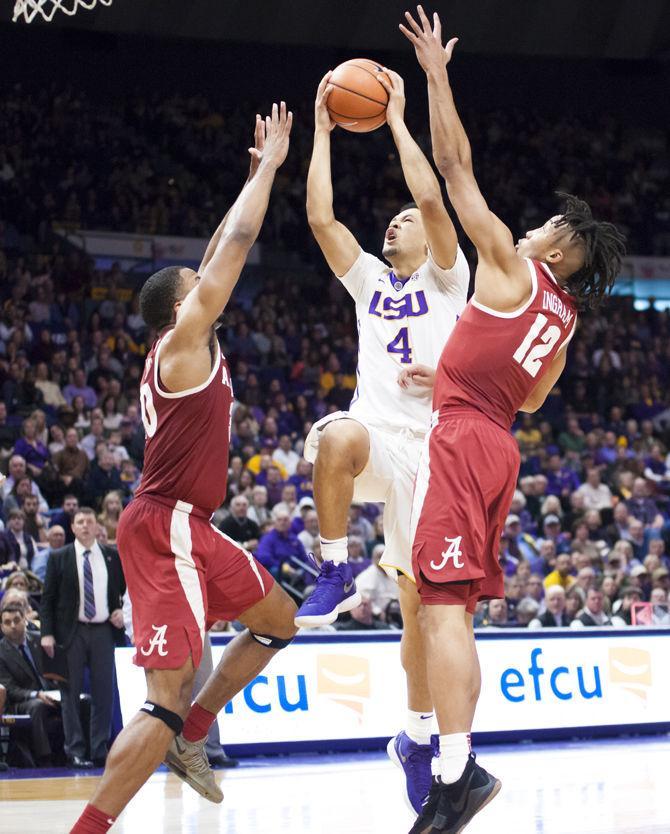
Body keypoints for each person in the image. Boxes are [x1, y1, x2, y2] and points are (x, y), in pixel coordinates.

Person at [401, 8, 626, 832]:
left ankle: (457, 773)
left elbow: (455, 167)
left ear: (559, 251)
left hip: (462, 442)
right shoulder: (563, 321)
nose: (529, 229)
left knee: (442, 610)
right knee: (448, 607)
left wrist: (435, 74)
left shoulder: (510, 264)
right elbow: (528, 397)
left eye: (545, 229)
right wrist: (455, 369)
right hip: (496, 442)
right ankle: (457, 768)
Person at [69, 106, 297, 834]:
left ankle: (194, 733)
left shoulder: (187, 340)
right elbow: (233, 243)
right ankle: (91, 826)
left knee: (280, 620)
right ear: (180, 304)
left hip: (190, 525)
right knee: (160, 701)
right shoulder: (180, 345)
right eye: (195, 282)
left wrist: (247, 173)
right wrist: (269, 170)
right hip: (162, 526)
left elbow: (214, 247)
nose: (210, 280)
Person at [296, 60, 470, 814]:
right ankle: (332, 567)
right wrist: (324, 132)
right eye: (389, 221)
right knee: (335, 433)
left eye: (401, 221)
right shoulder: (371, 281)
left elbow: (432, 195)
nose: (392, 223)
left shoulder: (446, 275)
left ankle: (415, 734)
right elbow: (320, 221)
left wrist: (397, 118)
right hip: (377, 434)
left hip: (432, 453)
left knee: (420, 618)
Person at [40, 507, 127, 769]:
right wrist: (47, 633)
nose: (86, 525)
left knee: (104, 693)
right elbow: (48, 599)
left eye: (90, 521)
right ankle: (75, 750)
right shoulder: (59, 557)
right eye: (81, 522)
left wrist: (122, 611)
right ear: (73, 528)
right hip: (71, 632)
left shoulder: (112, 556)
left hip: (103, 630)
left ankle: (99, 749)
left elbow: (126, 591)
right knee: (70, 693)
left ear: (98, 527)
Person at [0, 603, 63, 767]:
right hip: (19, 702)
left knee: (82, 701)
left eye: (16, 620)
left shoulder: (41, 640)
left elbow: (57, 671)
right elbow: (10, 690)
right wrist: (37, 694)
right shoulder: (1, 652)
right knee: (37, 706)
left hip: (52, 694)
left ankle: (85, 753)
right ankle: (44, 759)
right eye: (7, 622)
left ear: (25, 620)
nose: (13, 626)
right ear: (1, 626)